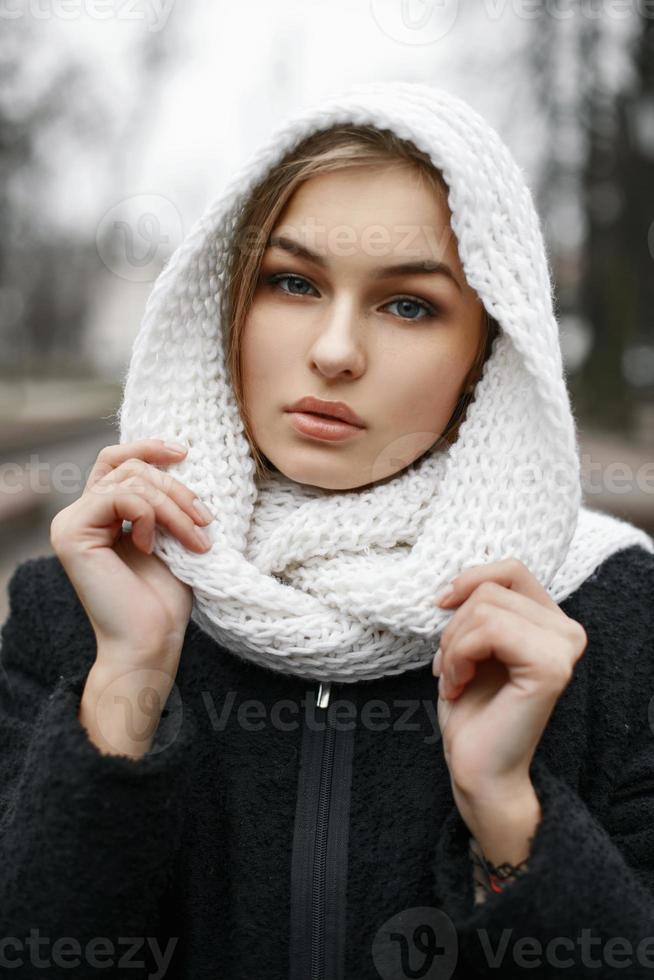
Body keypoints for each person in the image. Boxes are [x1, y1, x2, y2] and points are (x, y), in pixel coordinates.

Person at [1, 80, 653, 980]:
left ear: (488, 353)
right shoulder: (80, 602)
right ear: (226, 303)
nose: (336, 350)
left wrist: (508, 815)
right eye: (292, 282)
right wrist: (127, 689)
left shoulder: (605, 617)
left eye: (409, 304)